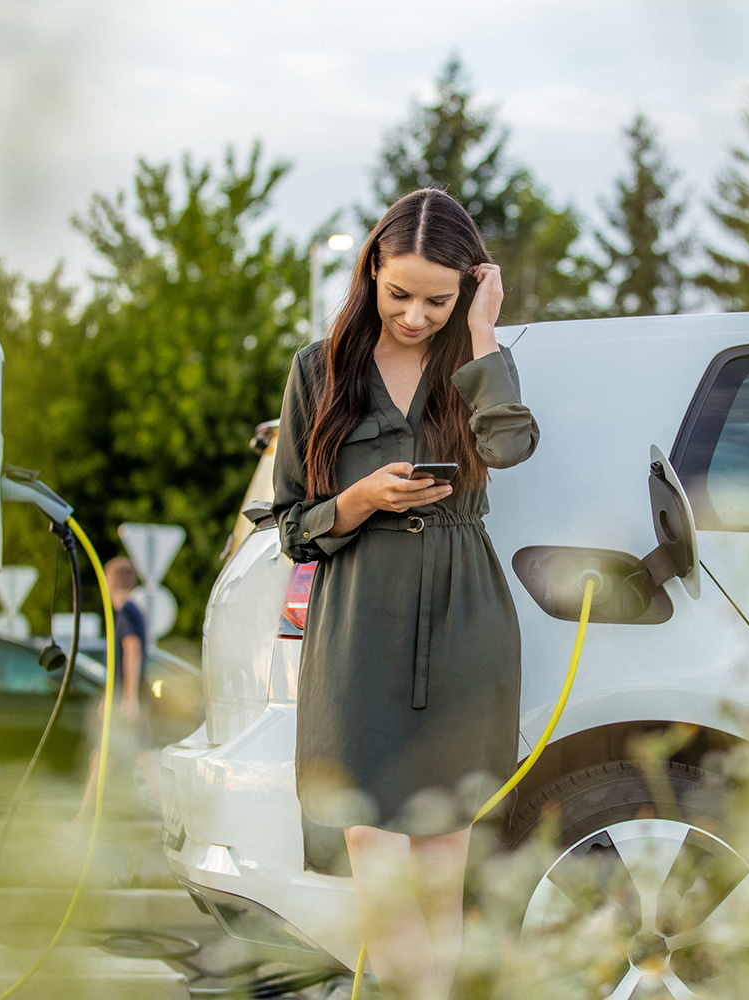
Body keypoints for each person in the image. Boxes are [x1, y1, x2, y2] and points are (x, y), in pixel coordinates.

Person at [272, 189, 539, 1000]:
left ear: (467, 288)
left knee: (436, 875)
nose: (416, 316)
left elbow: (512, 445)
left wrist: (484, 331)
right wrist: (359, 501)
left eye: (439, 299)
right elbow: (290, 525)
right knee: (379, 870)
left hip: (464, 625)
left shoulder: (474, 359)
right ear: (371, 274)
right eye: (399, 295)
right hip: (358, 630)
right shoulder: (318, 370)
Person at [74, 556, 160, 823]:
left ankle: (81, 824)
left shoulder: (125, 612)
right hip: (126, 695)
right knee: (126, 758)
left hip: (127, 697)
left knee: (118, 759)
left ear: (110, 583)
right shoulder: (135, 611)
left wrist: (128, 698)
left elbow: (131, 651)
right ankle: (171, 821)